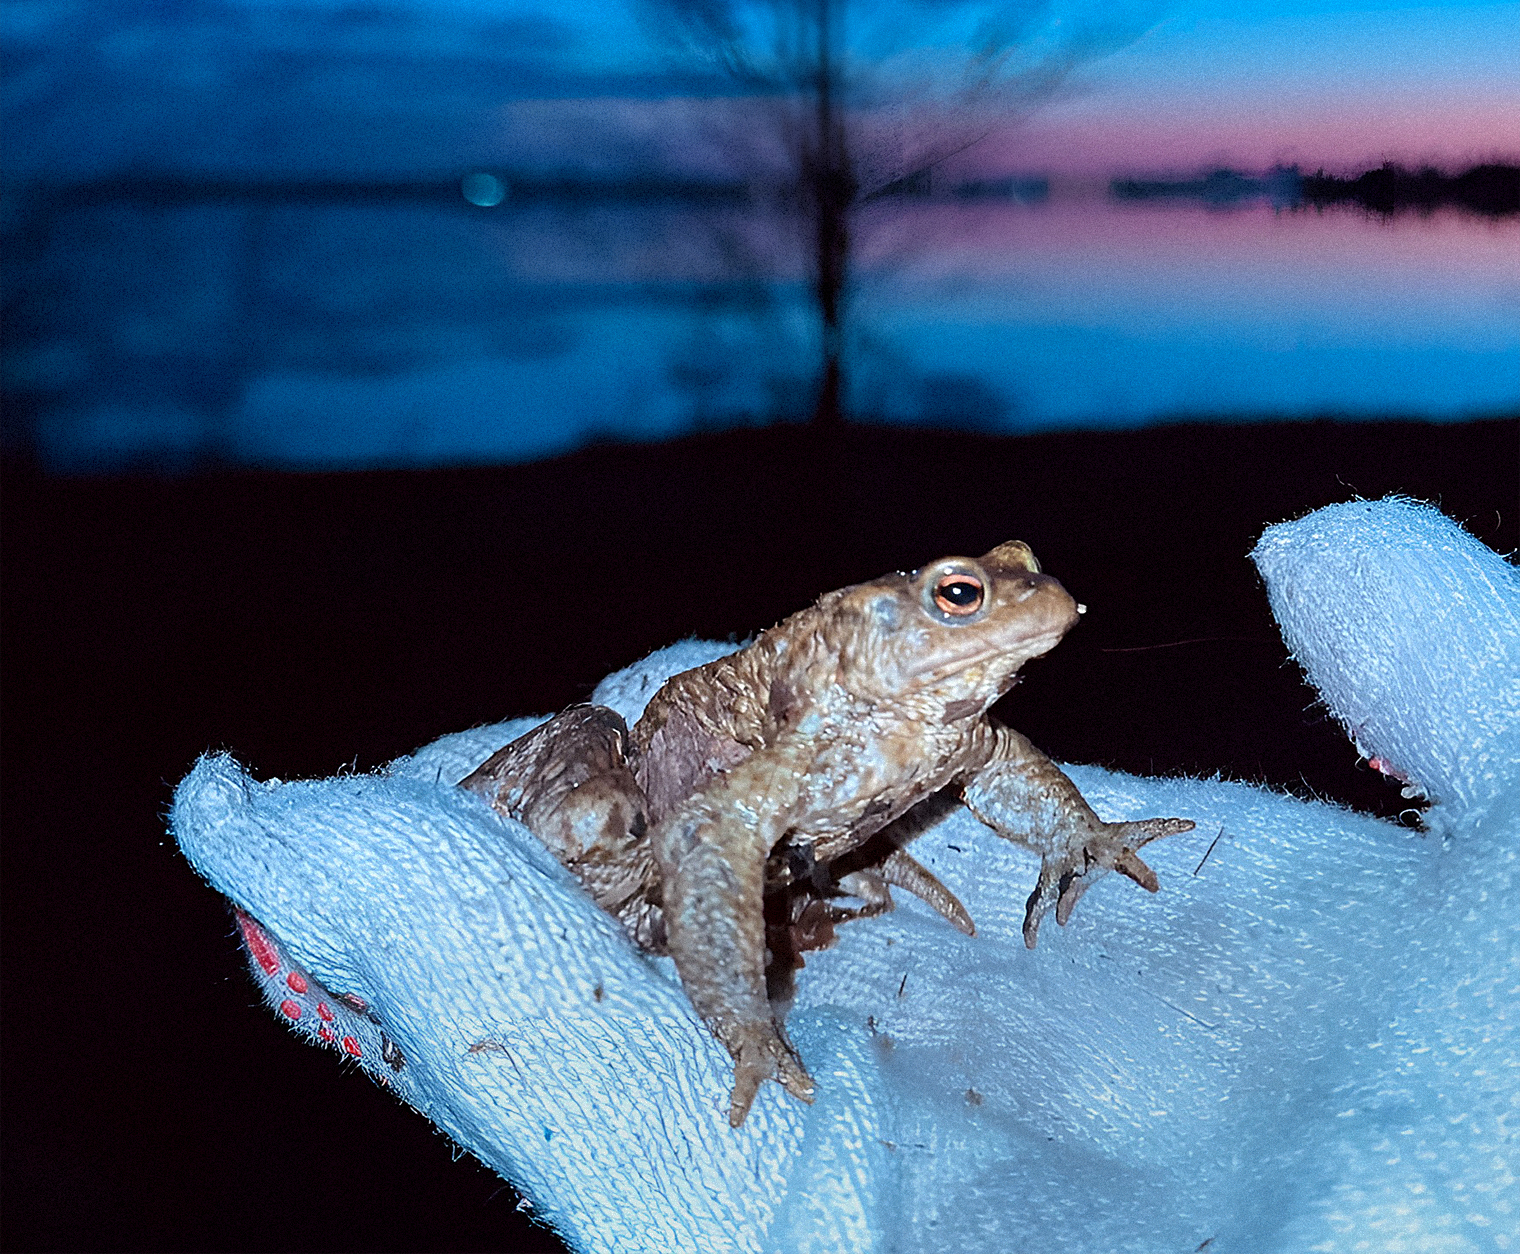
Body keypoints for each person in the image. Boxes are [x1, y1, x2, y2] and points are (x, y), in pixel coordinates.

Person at [173, 497, 1518, 1254]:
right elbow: (709, 834)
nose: (1015, 603)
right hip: (666, 773)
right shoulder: (832, 713)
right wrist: (743, 1011)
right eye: (961, 596)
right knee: (595, 844)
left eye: (1007, 582)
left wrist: (1076, 838)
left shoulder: (940, 722)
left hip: (807, 793)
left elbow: (988, 761)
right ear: (888, 624)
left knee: (913, 804)